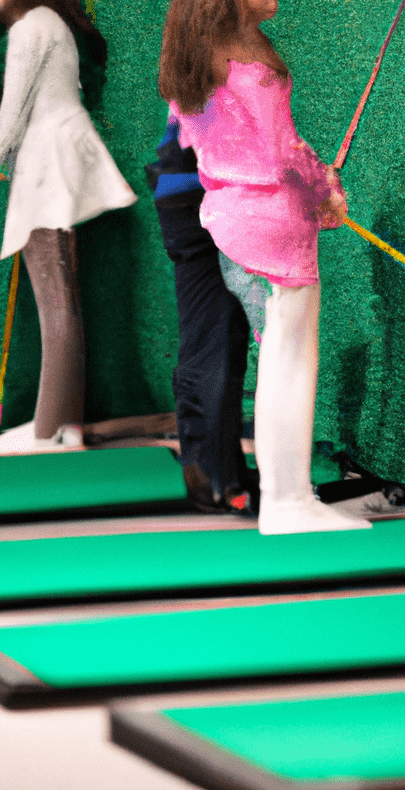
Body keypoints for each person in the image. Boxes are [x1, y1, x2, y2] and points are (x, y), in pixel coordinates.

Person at [159, 0, 370, 535]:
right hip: (271, 219)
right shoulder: (248, 60)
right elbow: (280, 154)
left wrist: (314, 182)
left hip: (228, 215)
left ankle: (286, 495)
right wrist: (323, 185)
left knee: (278, 352)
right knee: (289, 357)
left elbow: (214, 142)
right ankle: (286, 499)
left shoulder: (196, 49)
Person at [0, 0, 136, 455]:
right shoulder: (47, 24)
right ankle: (63, 427)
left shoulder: (32, 27)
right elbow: (36, 108)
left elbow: (12, 116)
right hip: (52, 159)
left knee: (55, 303)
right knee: (63, 302)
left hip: (49, 166)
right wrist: (1, 163)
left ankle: (48, 432)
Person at [146, 115, 257, 514]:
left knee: (205, 337)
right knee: (218, 339)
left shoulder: (186, 60)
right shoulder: (223, 61)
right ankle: (220, 478)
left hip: (181, 188)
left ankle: (211, 471)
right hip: (206, 191)